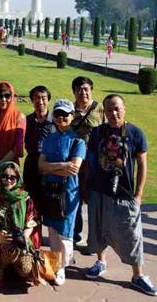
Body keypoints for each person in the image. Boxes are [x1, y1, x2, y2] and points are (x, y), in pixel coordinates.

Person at [84, 94, 156, 296]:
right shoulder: (97, 132)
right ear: (104, 112)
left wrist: (139, 193)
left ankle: (138, 275)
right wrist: (85, 187)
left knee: (132, 235)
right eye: (109, 110)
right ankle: (101, 261)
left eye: (117, 108)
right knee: (98, 230)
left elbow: (142, 164)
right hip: (98, 191)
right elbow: (90, 162)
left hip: (124, 194)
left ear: (124, 109)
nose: (113, 113)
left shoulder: (135, 133)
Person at [38, 99, 86, 286]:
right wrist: (61, 165)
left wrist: (53, 168)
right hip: (51, 190)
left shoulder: (78, 141)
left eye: (65, 114)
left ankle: (62, 267)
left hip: (68, 192)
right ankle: (55, 263)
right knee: (52, 230)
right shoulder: (49, 139)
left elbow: (74, 168)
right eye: (57, 114)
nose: (61, 118)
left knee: (65, 231)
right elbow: (41, 167)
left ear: (72, 116)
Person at [0, 162, 40, 288]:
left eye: (13, 177)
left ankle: (14, 268)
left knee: (25, 269)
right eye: (5, 177)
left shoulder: (25, 198)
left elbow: (31, 222)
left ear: (18, 179)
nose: (8, 180)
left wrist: (24, 237)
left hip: (20, 239)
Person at [70, 76, 104, 246]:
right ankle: (76, 235)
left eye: (86, 89)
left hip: (94, 161)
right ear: (74, 92)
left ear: (91, 90)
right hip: (75, 160)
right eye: (79, 89)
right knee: (74, 197)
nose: (83, 92)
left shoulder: (100, 109)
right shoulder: (69, 109)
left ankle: (95, 239)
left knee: (93, 199)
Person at [23, 86, 55, 248]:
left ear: (48, 100)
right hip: (32, 165)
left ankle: (57, 244)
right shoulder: (27, 120)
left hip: (50, 166)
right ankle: (35, 240)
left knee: (50, 203)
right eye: (36, 98)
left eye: (43, 98)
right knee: (32, 203)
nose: (40, 101)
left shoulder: (55, 120)